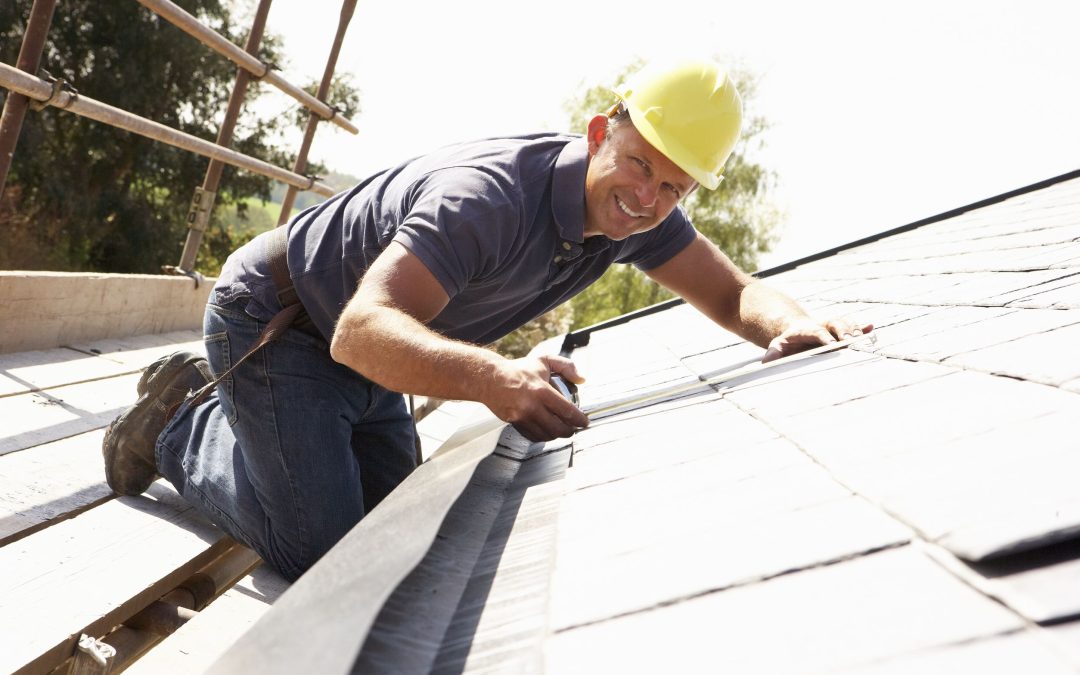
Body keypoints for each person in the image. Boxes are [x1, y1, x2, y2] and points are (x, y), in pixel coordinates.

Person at [102, 59, 870, 581]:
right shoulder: (490, 200)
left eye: (673, 187)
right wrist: (496, 377)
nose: (647, 199)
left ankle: (246, 427)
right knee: (327, 555)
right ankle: (178, 421)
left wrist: (794, 326)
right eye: (640, 165)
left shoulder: (634, 216)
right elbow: (360, 329)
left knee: (397, 536)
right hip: (281, 324)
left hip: (371, 353)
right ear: (603, 132)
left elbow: (734, 295)